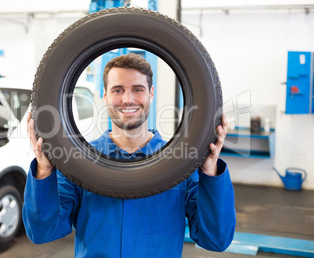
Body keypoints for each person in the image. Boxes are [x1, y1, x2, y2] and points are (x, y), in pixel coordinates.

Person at [22, 53, 236, 257]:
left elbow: (216, 239)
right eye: (117, 90)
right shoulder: (79, 161)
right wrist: (44, 171)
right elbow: (43, 232)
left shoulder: (181, 163)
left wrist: (209, 170)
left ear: (151, 93)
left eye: (137, 89)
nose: (127, 99)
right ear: (105, 95)